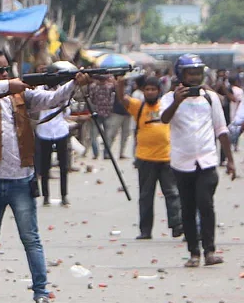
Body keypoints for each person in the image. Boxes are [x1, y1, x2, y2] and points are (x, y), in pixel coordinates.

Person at [0, 49, 89, 303]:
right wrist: (9, 84)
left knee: (31, 240)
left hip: (21, 179)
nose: (5, 74)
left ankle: (41, 294)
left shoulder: (21, 95)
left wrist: (74, 83)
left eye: (7, 69)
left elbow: (52, 98)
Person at [161, 54, 235, 267]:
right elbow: (164, 119)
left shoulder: (210, 98)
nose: (194, 78)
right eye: (190, 73)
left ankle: (209, 251)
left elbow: (221, 129)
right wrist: (177, 101)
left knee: (206, 204)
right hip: (182, 161)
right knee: (188, 207)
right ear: (181, 75)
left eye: (197, 73)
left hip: (207, 160)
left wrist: (230, 160)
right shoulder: (169, 99)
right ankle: (194, 252)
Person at [116, 75, 182, 239]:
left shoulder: (166, 107)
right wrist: (120, 84)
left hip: (166, 157)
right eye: (147, 89)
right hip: (145, 158)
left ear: (159, 91)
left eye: (153, 89)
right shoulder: (138, 106)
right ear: (143, 91)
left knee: (172, 193)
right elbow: (122, 98)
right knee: (146, 196)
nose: (150, 92)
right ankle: (145, 230)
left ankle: (177, 225)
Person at [35, 70, 72, 207]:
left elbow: (67, 112)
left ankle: (64, 195)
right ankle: (46, 196)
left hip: (60, 129)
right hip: (44, 130)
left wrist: (63, 104)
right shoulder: (39, 91)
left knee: (63, 165)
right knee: (45, 166)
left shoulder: (63, 91)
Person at [87, 75, 115, 159]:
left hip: (96, 113)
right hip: (107, 113)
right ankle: (106, 153)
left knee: (94, 135)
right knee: (107, 135)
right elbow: (112, 99)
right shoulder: (110, 87)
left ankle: (96, 154)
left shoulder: (93, 87)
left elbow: (90, 99)